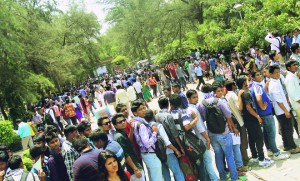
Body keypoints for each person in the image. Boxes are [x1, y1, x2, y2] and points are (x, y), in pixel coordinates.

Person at [198, 84, 238, 181]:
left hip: (212, 134)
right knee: (229, 156)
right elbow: (228, 114)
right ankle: (234, 178)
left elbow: (203, 118)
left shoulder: (201, 104)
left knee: (218, 156)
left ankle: (223, 178)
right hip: (224, 133)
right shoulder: (219, 101)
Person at [250, 71, 290, 160]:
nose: (260, 75)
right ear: (253, 77)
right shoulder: (257, 86)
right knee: (271, 134)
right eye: (257, 74)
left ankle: (270, 149)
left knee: (267, 133)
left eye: (260, 74)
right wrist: (263, 107)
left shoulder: (256, 86)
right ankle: (276, 153)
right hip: (266, 114)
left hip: (264, 113)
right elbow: (258, 98)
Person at [186, 89, 219, 181]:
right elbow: (200, 127)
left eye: (197, 97)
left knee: (204, 161)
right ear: (188, 98)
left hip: (196, 139)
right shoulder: (193, 110)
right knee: (208, 160)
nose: (196, 99)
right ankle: (214, 179)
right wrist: (207, 139)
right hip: (201, 138)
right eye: (194, 97)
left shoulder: (189, 109)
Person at [145, 109, 185, 181]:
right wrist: (176, 150)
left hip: (157, 155)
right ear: (153, 116)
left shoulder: (145, 127)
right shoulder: (158, 126)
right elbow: (166, 142)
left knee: (166, 177)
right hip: (168, 153)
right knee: (177, 172)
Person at [268, 65, 300, 154]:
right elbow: (278, 101)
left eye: (278, 72)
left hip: (284, 109)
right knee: (288, 129)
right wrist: (286, 111)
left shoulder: (276, 81)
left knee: (286, 128)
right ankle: (292, 147)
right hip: (282, 111)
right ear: (270, 74)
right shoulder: (273, 84)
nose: (278, 74)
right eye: (276, 73)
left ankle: (287, 145)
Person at [131, 101, 163, 181]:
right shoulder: (141, 125)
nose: (144, 110)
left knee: (153, 175)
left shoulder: (135, 122)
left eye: (144, 108)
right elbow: (147, 144)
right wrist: (155, 133)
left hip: (145, 153)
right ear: (135, 113)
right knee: (157, 177)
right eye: (140, 109)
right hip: (149, 153)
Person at [111, 113, 144, 181]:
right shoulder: (119, 137)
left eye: (124, 120)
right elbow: (126, 155)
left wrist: (131, 129)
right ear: (115, 125)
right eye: (120, 122)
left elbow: (130, 141)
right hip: (133, 167)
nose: (123, 122)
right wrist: (135, 169)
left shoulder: (121, 133)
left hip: (135, 164)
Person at [225, 81, 249, 165]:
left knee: (239, 141)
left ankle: (243, 159)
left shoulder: (227, 95)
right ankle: (245, 160)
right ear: (232, 86)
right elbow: (240, 107)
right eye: (234, 84)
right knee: (243, 141)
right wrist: (239, 95)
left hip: (234, 121)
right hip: (239, 120)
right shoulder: (234, 95)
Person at [285, 60, 300, 138]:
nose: (296, 66)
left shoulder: (294, 76)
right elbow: (292, 93)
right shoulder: (290, 78)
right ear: (288, 67)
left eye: (296, 65)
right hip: (297, 104)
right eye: (294, 65)